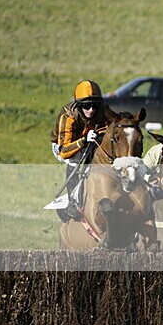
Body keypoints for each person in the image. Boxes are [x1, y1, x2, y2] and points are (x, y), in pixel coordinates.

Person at [50, 79, 118, 220]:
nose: (91, 110)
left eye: (94, 105)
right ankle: (72, 203)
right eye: (87, 106)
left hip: (91, 140)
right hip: (64, 146)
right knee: (75, 160)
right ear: (79, 105)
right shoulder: (68, 115)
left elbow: (117, 124)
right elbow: (64, 150)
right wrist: (83, 140)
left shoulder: (102, 110)